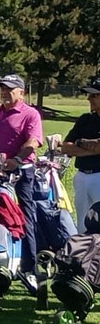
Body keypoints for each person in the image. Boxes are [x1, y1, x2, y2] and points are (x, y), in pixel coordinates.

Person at [0, 73, 43, 287]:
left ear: (22, 92)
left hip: (21, 173)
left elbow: (33, 142)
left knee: (24, 217)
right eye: (2, 89)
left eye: (10, 89)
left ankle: (29, 267)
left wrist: (16, 160)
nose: (5, 92)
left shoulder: (30, 114)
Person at [62, 76, 100, 232]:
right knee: (82, 223)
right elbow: (65, 148)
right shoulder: (85, 119)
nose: (89, 98)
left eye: (95, 95)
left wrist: (79, 144)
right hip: (82, 177)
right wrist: (90, 146)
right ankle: (84, 253)